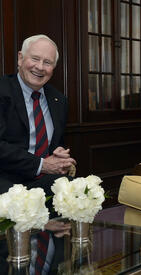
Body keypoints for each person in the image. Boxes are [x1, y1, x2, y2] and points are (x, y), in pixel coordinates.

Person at [0, 34, 76, 233]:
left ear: (53, 68)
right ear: (20, 59)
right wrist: (43, 164)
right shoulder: (2, 91)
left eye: (47, 62)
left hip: (39, 181)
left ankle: (58, 257)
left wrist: (59, 157)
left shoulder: (59, 100)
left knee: (75, 190)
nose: (40, 67)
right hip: (5, 179)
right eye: (34, 58)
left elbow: (55, 146)